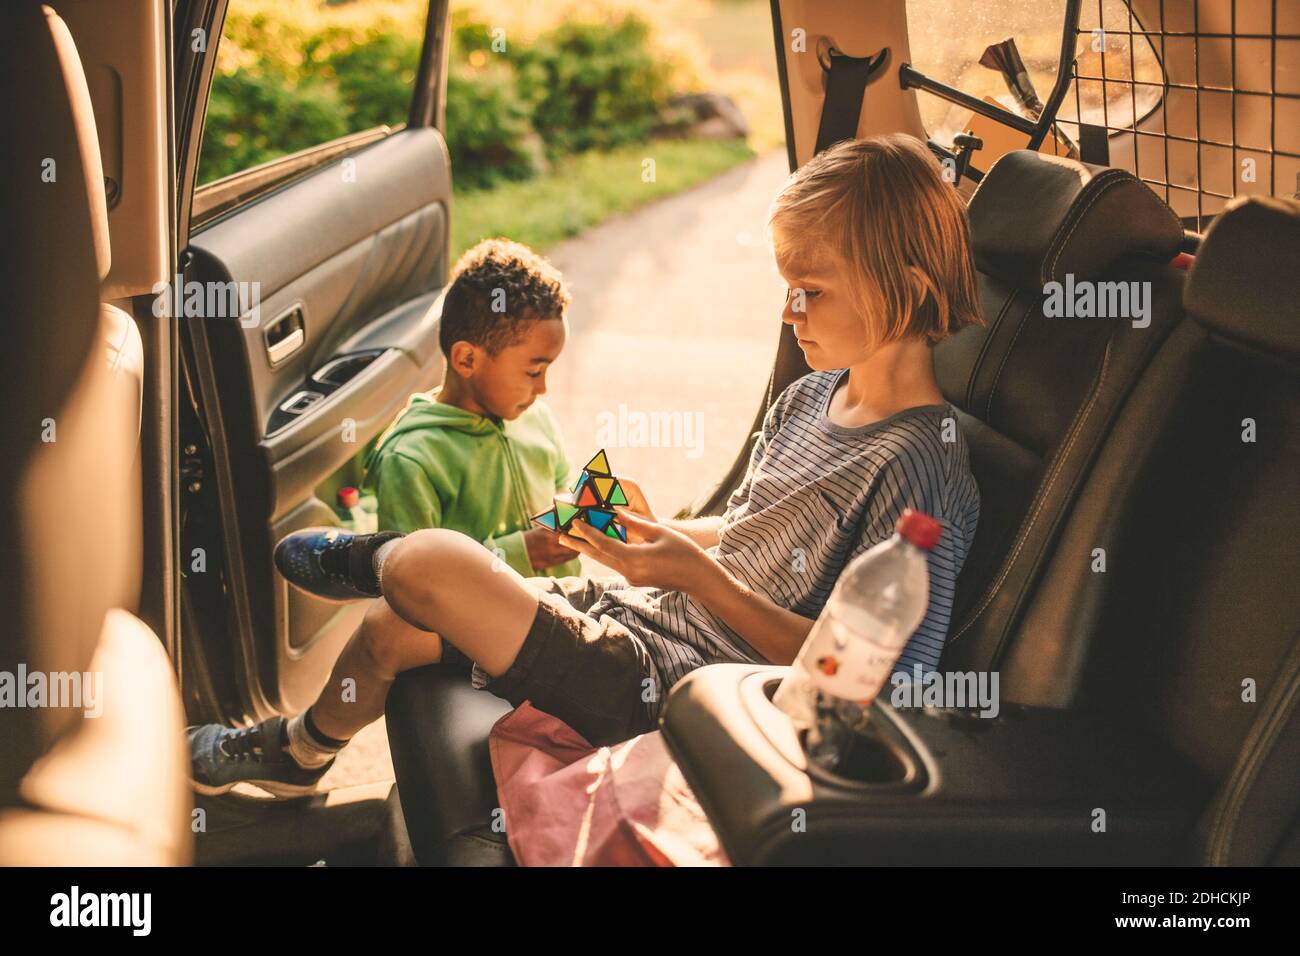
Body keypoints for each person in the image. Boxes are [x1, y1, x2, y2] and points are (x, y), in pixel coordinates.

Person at [197, 132, 984, 794]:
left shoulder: (923, 465)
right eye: (786, 287)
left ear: (906, 289)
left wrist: (695, 578)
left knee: (432, 564)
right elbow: (749, 537)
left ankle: (373, 556)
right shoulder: (813, 399)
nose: (789, 311)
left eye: (809, 290)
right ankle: (297, 750)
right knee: (390, 630)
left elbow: (872, 685)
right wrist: (659, 537)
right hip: (645, 625)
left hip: (690, 690)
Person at [187, 238, 582, 794]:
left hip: (554, 614)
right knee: (397, 599)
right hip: (479, 640)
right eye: (534, 371)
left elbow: (561, 479)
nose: (543, 389)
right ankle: (306, 738)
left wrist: (575, 513)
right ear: (466, 359)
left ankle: (302, 734)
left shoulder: (534, 420)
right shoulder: (412, 458)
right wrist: (521, 550)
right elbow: (420, 590)